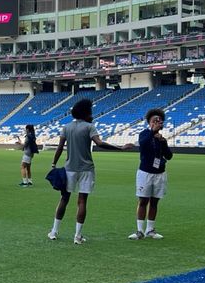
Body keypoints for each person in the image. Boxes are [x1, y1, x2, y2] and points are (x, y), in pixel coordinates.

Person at [48, 98, 134, 244]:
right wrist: (120, 148)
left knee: (64, 198)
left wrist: (54, 163)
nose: (92, 115)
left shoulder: (66, 127)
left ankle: (54, 231)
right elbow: (99, 143)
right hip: (86, 169)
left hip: (70, 169)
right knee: (82, 201)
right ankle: (77, 236)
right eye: (90, 112)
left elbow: (60, 147)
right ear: (85, 113)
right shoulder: (89, 127)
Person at [129, 108, 173, 241]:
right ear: (149, 122)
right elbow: (143, 144)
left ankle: (150, 230)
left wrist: (163, 142)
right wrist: (152, 132)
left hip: (160, 173)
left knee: (155, 202)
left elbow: (169, 156)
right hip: (145, 173)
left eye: (160, 121)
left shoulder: (161, 139)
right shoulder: (144, 134)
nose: (158, 122)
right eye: (155, 120)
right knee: (143, 201)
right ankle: (139, 231)